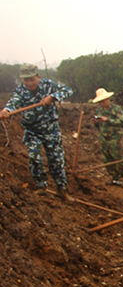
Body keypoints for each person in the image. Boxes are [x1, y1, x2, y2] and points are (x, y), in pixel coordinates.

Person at [0, 64, 73, 198]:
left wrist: (52, 97)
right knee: (34, 158)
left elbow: (67, 90)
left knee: (56, 160)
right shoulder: (20, 91)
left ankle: (61, 189)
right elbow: (13, 102)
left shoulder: (48, 85)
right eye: (26, 80)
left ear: (38, 77)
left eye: (32, 79)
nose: (29, 83)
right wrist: (6, 110)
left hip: (51, 130)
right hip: (32, 131)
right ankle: (41, 186)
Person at [91, 88, 123, 187]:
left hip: (114, 138)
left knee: (118, 158)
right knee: (107, 159)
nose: (101, 104)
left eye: (102, 101)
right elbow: (99, 126)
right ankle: (114, 177)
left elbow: (121, 122)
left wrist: (107, 120)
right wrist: (97, 123)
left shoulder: (116, 109)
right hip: (103, 138)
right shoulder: (99, 110)